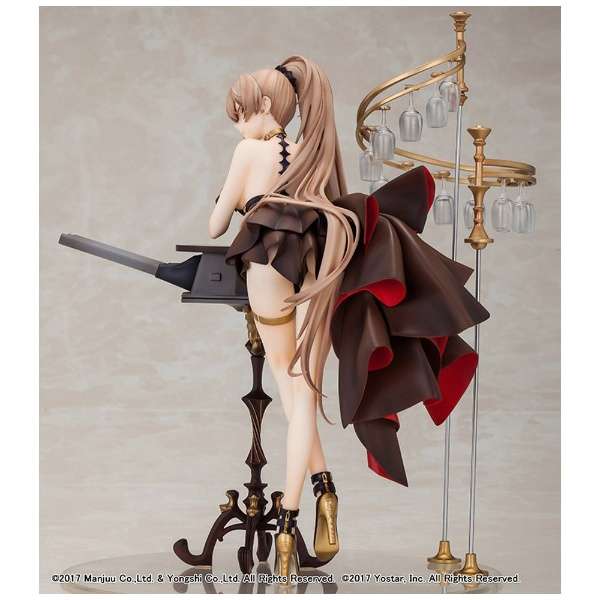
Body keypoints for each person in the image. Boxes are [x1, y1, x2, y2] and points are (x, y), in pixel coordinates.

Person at [209, 55, 489, 582]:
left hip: (267, 271)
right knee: (302, 394)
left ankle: (294, 516)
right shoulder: (309, 154)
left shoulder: (249, 150)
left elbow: (216, 223)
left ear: (265, 106)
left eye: (241, 113)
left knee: (290, 394)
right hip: (317, 267)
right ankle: (317, 497)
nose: (239, 125)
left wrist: (228, 197)